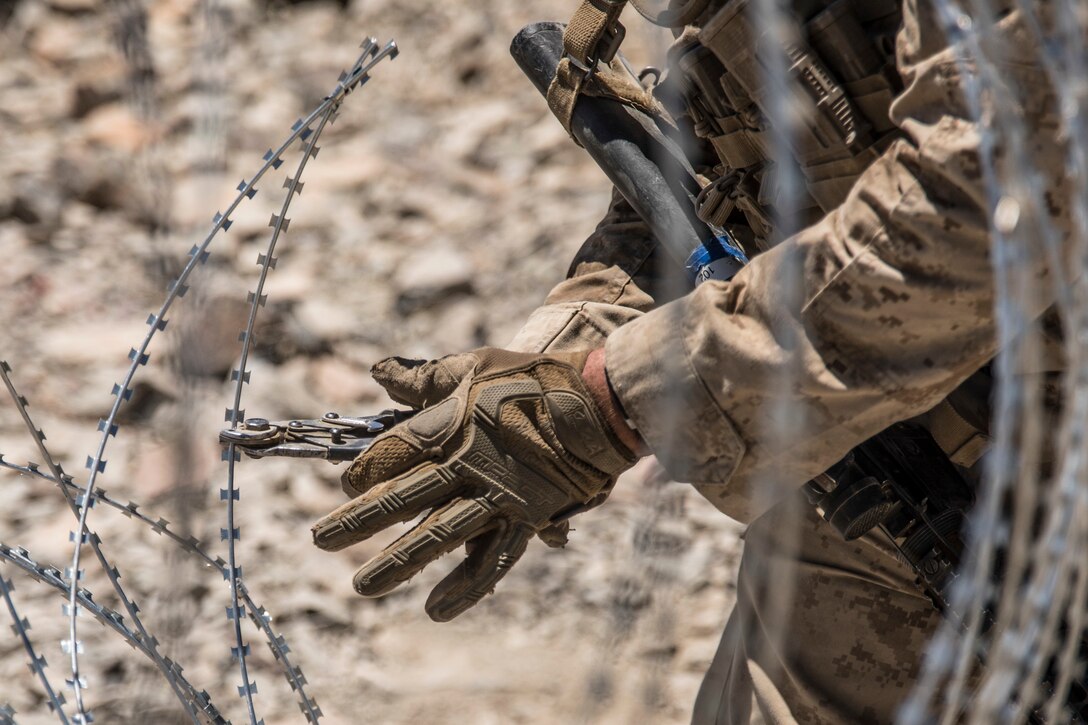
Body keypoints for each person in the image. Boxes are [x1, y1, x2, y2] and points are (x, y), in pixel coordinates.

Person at [311, 1, 1072, 722]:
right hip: (894, 488)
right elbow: (713, 200)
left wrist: (620, 397)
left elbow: (981, 202)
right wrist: (544, 373)